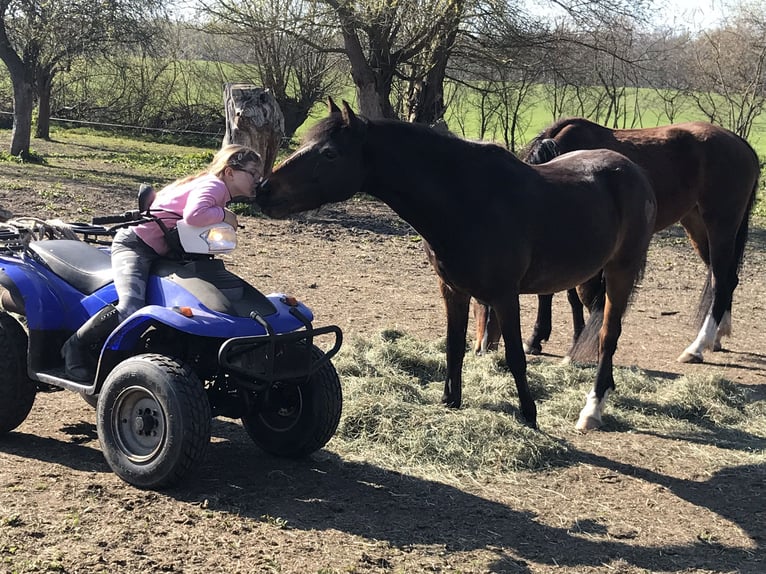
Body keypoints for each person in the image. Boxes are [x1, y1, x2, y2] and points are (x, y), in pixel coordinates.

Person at [61, 144, 263, 382]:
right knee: (130, 307)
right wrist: (225, 215)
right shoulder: (214, 185)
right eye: (253, 174)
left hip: (166, 253)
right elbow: (194, 215)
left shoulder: (213, 186)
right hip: (136, 245)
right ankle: (74, 348)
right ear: (230, 172)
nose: (257, 181)